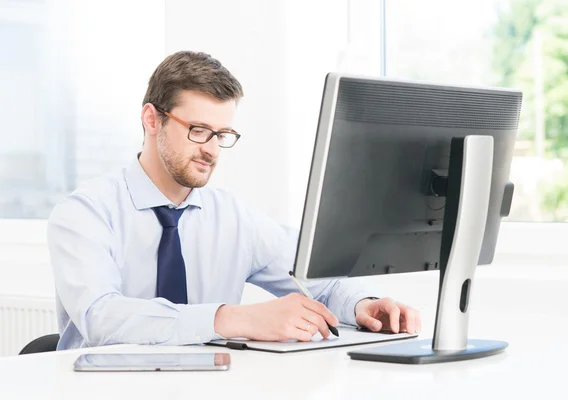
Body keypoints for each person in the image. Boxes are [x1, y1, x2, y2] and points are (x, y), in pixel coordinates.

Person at [48, 51, 421, 350]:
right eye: (198, 130)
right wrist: (234, 318)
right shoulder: (84, 213)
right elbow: (101, 317)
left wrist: (364, 306)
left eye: (222, 134)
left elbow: (320, 282)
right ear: (151, 119)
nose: (211, 150)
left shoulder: (232, 217)